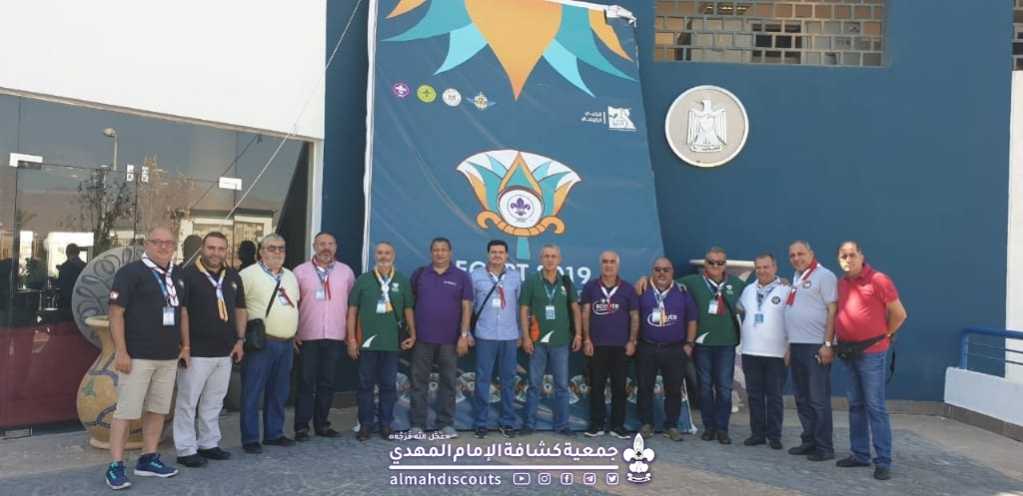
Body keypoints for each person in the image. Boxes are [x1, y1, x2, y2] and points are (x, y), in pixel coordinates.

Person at [104, 226, 189, 490]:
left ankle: (148, 458)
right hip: (137, 356)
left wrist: (186, 345)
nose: (163, 247)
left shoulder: (178, 274)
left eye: (169, 243)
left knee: (158, 409)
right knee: (126, 412)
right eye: (157, 242)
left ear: (174, 246)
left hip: (168, 356)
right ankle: (115, 465)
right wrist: (121, 351)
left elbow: (182, 312)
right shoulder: (130, 273)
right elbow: (115, 313)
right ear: (146, 244)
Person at [834, 241, 908, 481]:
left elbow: (899, 314)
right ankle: (860, 454)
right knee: (855, 404)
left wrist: (886, 334)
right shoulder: (842, 283)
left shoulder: (878, 280)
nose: (848, 259)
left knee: (875, 406)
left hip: (872, 353)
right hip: (848, 353)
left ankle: (883, 460)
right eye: (843, 256)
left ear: (861, 255)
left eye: (852, 255)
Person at [173, 232, 247, 467]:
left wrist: (240, 340)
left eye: (221, 248)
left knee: (214, 401)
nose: (216, 253)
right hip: (196, 352)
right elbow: (182, 312)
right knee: (188, 402)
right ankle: (186, 449)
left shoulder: (233, 276)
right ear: (202, 249)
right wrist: (184, 346)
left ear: (227, 251)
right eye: (211, 248)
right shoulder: (187, 275)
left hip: (225, 351)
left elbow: (240, 309)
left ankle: (208, 443)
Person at [347, 241, 416, 441]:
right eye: (379, 253)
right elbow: (352, 311)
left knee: (388, 386)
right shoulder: (363, 280)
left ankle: (386, 424)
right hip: (367, 343)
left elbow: (408, 310)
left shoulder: (402, 281)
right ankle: (365, 425)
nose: (383, 256)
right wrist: (351, 339)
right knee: (365, 386)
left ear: (393, 256)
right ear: (374, 256)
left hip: (392, 343)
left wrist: (413, 334)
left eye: (387, 253)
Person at [238, 233, 301, 454]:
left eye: (281, 248)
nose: (277, 252)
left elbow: (294, 305)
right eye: (271, 248)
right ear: (261, 251)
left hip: (286, 343)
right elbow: (238, 308)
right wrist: (239, 338)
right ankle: (250, 438)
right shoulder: (248, 275)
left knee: (279, 392)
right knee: (252, 392)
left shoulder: (290, 276)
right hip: (260, 343)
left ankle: (274, 433)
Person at [678, 247, 745, 444]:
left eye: (720, 262)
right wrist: (644, 280)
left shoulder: (737, 284)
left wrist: (783, 282)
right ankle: (709, 427)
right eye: (711, 262)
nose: (715, 266)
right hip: (702, 343)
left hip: (726, 343)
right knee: (704, 387)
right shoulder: (692, 282)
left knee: (724, 388)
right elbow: (664, 282)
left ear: (725, 264)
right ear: (705, 263)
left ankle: (722, 429)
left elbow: (761, 286)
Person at [293, 232, 355, 441]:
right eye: (321, 244)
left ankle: (322, 425)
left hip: (336, 335)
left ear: (336, 247)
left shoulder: (346, 272)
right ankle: (301, 427)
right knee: (305, 382)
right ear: (314, 246)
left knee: (327, 383)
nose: (326, 248)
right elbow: (292, 304)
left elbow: (352, 306)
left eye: (330, 244)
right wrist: (294, 332)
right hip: (307, 336)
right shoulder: (300, 272)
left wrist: (350, 335)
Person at [409, 237, 473, 438]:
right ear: (431, 253)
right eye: (436, 250)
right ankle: (417, 424)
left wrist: (464, 335)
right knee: (419, 382)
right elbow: (409, 305)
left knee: (448, 382)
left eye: (443, 249)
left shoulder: (461, 276)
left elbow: (467, 307)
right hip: (423, 338)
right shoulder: (420, 274)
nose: (440, 253)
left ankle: (445, 424)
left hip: (450, 340)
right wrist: (411, 333)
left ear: (450, 253)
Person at [783, 240, 838, 461]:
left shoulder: (825, 276)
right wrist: (789, 346)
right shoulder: (797, 278)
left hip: (816, 345)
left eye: (801, 254)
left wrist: (828, 344)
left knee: (818, 399)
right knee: (802, 398)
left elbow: (833, 311)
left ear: (811, 253)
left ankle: (824, 447)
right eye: (792, 255)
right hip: (797, 346)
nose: (796, 258)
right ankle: (809, 441)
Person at [519, 244, 582, 436]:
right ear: (541, 259)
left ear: (559, 259)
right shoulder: (531, 281)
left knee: (562, 386)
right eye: (546, 256)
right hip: (537, 342)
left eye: (553, 256)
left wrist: (579, 334)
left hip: (561, 342)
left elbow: (575, 309)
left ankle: (562, 425)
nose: (550, 259)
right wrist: (525, 337)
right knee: (534, 385)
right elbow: (523, 309)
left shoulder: (566, 282)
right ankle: (529, 424)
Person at [635, 257, 697, 441]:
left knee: (674, 389)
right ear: (652, 272)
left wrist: (689, 344)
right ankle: (646, 424)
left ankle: (671, 425)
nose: (661, 273)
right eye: (657, 269)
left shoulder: (682, 292)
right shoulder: (642, 290)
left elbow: (692, 319)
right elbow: (633, 316)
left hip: (675, 349)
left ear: (672, 272)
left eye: (666, 269)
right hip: (647, 347)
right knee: (644, 387)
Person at [580, 251, 638, 439]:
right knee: (596, 386)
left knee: (619, 387)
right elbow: (585, 313)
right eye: (605, 261)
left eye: (612, 261)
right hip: (597, 346)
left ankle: (617, 426)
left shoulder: (628, 289)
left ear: (617, 265)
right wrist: (587, 339)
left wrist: (632, 341)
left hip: (621, 346)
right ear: (600, 264)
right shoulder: (590, 287)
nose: (608, 265)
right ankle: (597, 424)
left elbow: (634, 316)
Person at [737, 253, 788, 450]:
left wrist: (789, 347)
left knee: (774, 397)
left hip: (776, 353)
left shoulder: (786, 289)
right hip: (751, 351)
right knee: (754, 396)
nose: (762, 271)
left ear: (775, 267)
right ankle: (757, 434)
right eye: (758, 267)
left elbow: (794, 319)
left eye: (766, 267)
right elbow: (741, 310)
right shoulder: (748, 290)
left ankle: (774, 435)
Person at [471, 240, 522, 439]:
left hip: (509, 336)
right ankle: (481, 422)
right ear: (488, 254)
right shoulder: (476, 276)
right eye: (493, 252)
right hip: (485, 335)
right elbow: (468, 307)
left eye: (501, 252)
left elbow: (519, 307)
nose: (497, 255)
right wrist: (467, 333)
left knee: (508, 380)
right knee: (482, 379)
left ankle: (507, 422)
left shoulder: (515, 277)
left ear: (506, 255)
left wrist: (521, 333)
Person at [56, 243, 86, 308]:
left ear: (67, 253)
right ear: (78, 253)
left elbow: (60, 284)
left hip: (66, 301)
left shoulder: (64, 267)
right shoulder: (85, 266)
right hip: (81, 300)